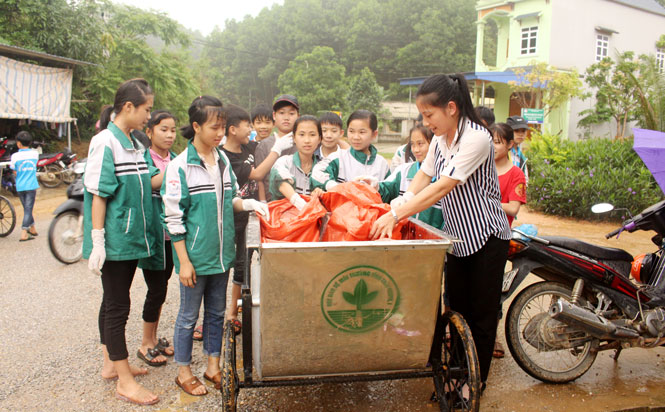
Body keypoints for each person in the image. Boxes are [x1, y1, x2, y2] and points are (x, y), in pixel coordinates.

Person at [370, 74, 511, 393]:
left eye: (428, 114)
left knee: (482, 318)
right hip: (458, 238)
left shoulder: (476, 138)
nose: (425, 121)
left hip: (487, 236)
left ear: (450, 108)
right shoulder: (440, 139)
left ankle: (475, 383)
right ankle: (458, 375)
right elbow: (424, 175)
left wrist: (397, 213)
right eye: (422, 115)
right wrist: (399, 201)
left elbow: (443, 186)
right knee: (457, 311)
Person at [162, 96, 268, 396]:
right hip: (195, 258)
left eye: (223, 127)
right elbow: (173, 219)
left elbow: (231, 198)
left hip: (222, 257)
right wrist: (183, 261)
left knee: (216, 313)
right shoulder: (180, 167)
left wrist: (248, 203)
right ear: (196, 126)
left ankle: (212, 366)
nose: (220, 133)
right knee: (187, 316)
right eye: (214, 127)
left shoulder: (221, 160)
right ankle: (183, 371)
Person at [83, 78, 159, 406]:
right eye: (146, 109)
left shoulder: (134, 142)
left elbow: (147, 182)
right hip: (114, 240)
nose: (148, 116)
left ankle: (110, 365)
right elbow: (99, 194)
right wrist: (98, 241)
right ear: (128, 107)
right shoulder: (106, 142)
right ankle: (125, 380)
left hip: (129, 239)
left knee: (112, 301)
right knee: (118, 306)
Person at [221, 104, 293, 334]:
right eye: (248, 126)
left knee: (252, 264)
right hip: (236, 215)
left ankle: (249, 308)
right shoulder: (226, 156)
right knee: (237, 266)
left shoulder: (249, 147)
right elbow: (257, 174)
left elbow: (262, 143)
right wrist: (277, 149)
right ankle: (231, 313)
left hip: (253, 214)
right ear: (232, 129)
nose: (253, 130)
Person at [135, 110, 178, 367]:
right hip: (154, 237)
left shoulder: (171, 159)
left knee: (162, 289)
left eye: (172, 130)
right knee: (156, 290)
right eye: (163, 129)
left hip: (172, 237)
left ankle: (153, 337)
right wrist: (178, 168)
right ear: (150, 132)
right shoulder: (144, 158)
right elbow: (153, 182)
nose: (170, 135)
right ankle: (145, 343)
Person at [378, 124, 443, 230]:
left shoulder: (445, 178)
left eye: (420, 144)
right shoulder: (404, 171)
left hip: (434, 240)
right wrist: (375, 186)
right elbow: (385, 190)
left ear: (434, 144)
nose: (416, 150)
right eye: (412, 144)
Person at [311, 109, 390, 191]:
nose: (356, 137)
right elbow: (317, 175)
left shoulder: (382, 164)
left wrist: (377, 188)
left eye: (362, 132)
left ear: (374, 134)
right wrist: (338, 188)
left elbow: (390, 192)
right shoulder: (338, 158)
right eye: (351, 131)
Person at [269, 115, 324, 208]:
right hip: (284, 219)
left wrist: (320, 193)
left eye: (312, 135)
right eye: (301, 135)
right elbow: (282, 183)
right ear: (294, 138)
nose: (307, 140)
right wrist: (301, 204)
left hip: (313, 219)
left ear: (319, 139)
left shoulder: (324, 166)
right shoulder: (284, 162)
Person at [254, 95, 299, 202]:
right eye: (282, 113)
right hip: (272, 206)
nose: (286, 117)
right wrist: (263, 203)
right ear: (274, 115)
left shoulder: (305, 143)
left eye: (291, 113)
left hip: (298, 205)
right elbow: (259, 180)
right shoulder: (264, 145)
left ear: (298, 116)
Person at [492, 123, 527, 227]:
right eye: (489, 142)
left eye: (497, 142)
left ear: (510, 144)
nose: (492, 146)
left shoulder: (516, 174)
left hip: (499, 233)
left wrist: (484, 203)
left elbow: (513, 209)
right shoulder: (480, 169)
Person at [9, 131, 39, 241]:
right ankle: (24, 233)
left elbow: (14, 171)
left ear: (18, 144)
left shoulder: (15, 156)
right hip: (31, 185)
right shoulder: (35, 154)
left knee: (27, 208)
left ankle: (33, 228)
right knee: (28, 208)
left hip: (20, 186)